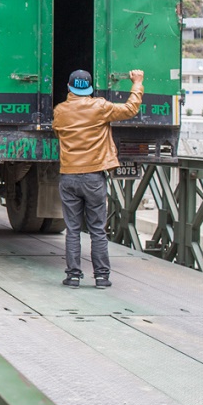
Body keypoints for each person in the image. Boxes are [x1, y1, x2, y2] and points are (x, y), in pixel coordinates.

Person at [52, 68, 144, 289]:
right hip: (94, 177)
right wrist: (137, 83)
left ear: (69, 88)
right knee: (97, 230)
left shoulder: (60, 111)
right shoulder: (100, 107)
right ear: (90, 89)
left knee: (73, 229)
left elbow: (58, 133)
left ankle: (73, 276)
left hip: (69, 176)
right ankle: (102, 277)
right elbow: (131, 109)